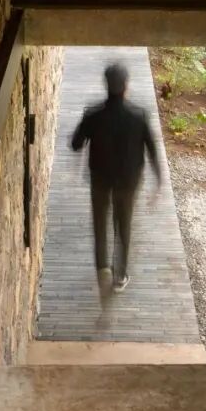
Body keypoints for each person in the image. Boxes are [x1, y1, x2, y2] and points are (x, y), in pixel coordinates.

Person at [70, 60, 161, 294]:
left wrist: (87, 133)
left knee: (100, 224)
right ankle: (120, 275)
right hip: (128, 182)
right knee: (124, 225)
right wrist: (158, 180)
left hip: (100, 179)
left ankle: (103, 268)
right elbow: (151, 149)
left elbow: (76, 144)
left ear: (106, 85)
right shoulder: (139, 116)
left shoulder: (93, 115)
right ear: (126, 86)